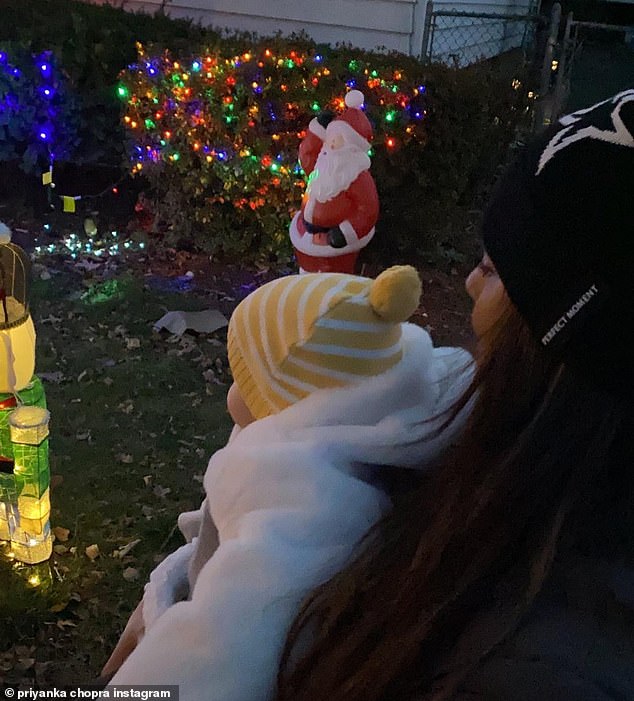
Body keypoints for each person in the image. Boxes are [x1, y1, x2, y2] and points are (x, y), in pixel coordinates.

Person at [274, 88, 634, 700]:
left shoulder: (540, 669)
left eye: (496, 269)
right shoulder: (522, 490)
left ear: (567, 335)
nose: (468, 283)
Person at [102, 265, 472, 698]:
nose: (231, 391)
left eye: (241, 378)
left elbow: (222, 645)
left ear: (283, 401)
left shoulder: (306, 495)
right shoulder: (341, 423)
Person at [289, 89, 380, 274]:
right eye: (330, 138)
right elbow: (307, 156)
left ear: (352, 148)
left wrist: (344, 233)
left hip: (335, 241)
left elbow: (367, 210)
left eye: (337, 141)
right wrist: (317, 131)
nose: (330, 145)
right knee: (306, 273)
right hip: (307, 234)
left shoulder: (357, 177)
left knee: (334, 279)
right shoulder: (322, 164)